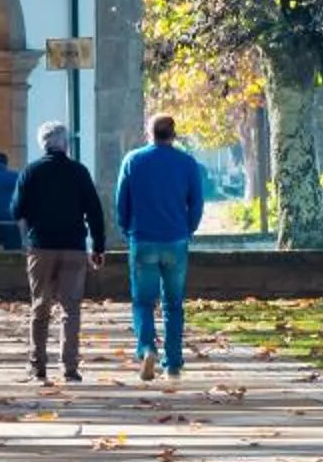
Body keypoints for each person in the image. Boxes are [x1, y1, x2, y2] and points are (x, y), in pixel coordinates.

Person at [114, 114, 208, 381]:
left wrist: (127, 229)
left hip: (143, 238)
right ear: (173, 134)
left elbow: (122, 203)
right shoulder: (187, 163)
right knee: (173, 304)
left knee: (143, 301)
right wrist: (188, 229)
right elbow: (197, 203)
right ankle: (174, 363)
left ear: (149, 133)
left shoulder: (133, 160)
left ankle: (146, 348)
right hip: (176, 240)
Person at [16, 122, 107, 384]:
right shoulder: (79, 172)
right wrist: (98, 247)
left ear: (42, 144)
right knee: (71, 309)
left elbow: (16, 209)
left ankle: (38, 366)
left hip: (41, 246)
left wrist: (30, 228)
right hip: (73, 247)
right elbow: (95, 212)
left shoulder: (31, 172)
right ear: (65, 143)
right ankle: (69, 368)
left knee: (40, 306)